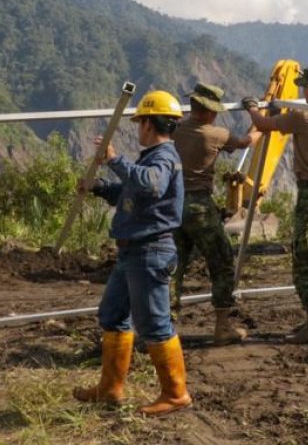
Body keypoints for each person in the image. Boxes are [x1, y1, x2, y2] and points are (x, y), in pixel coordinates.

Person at [74, 89, 192, 417]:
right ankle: (110, 389)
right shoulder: (150, 159)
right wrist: (100, 188)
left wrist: (114, 160)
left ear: (149, 125)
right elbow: (132, 194)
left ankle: (175, 392)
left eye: (140, 122)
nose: (138, 128)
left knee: (154, 324)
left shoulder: (163, 158)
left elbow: (150, 185)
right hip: (131, 253)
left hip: (150, 252)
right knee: (113, 315)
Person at [241, 63, 308, 344]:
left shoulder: (304, 116)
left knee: (306, 262)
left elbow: (263, 126)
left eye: (304, 88)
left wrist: (253, 107)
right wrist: (279, 112)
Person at [170, 83, 256, 345]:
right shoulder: (215, 134)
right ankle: (222, 326)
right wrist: (257, 118)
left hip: (173, 204)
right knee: (221, 262)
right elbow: (246, 142)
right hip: (199, 207)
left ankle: (166, 327)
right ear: (210, 112)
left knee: (174, 267)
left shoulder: (176, 129)